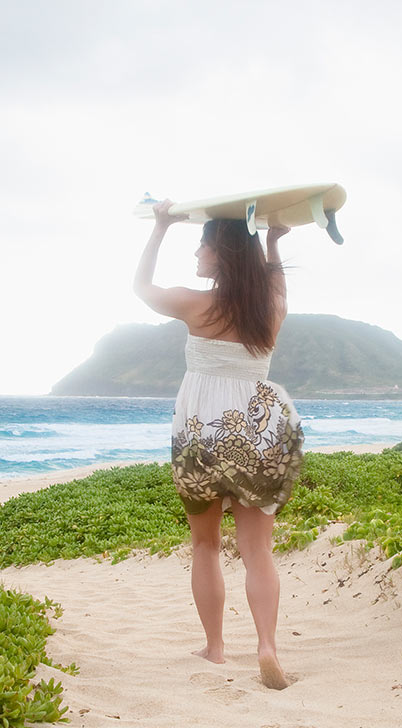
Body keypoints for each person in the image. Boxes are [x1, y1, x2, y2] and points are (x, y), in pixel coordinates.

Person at [133, 202, 305, 690]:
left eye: (201, 243)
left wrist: (161, 227)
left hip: (200, 434)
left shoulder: (196, 304)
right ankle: (267, 645)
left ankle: (215, 648)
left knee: (206, 545)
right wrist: (273, 240)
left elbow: (142, 288)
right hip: (260, 428)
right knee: (258, 551)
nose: (196, 251)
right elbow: (275, 284)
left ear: (220, 251)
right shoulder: (271, 308)